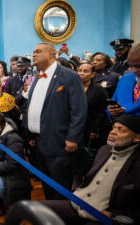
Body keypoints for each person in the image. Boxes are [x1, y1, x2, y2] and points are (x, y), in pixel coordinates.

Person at [41, 115, 140, 225]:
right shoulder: (104, 150)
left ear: (137, 138)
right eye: (113, 127)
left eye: (121, 130)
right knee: (37, 209)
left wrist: (113, 216)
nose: (113, 132)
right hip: (76, 204)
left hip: (101, 216)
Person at [26, 43, 87, 200]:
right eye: (33, 52)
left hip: (59, 140)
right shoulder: (38, 77)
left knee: (60, 185)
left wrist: (73, 137)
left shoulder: (69, 76)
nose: (34, 55)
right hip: (38, 141)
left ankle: (62, 217)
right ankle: (52, 214)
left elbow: (79, 110)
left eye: (38, 51)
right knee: (46, 183)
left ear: (52, 54)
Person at [77, 62, 109, 176]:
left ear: (92, 74)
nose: (81, 73)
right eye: (80, 70)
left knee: (92, 158)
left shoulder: (98, 89)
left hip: (94, 129)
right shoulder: (75, 88)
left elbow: (102, 111)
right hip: (78, 129)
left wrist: (95, 129)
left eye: (85, 71)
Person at [108, 43, 140, 118]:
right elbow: (113, 101)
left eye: (138, 66)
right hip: (123, 124)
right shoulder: (125, 78)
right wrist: (113, 111)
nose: (133, 70)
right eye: (130, 66)